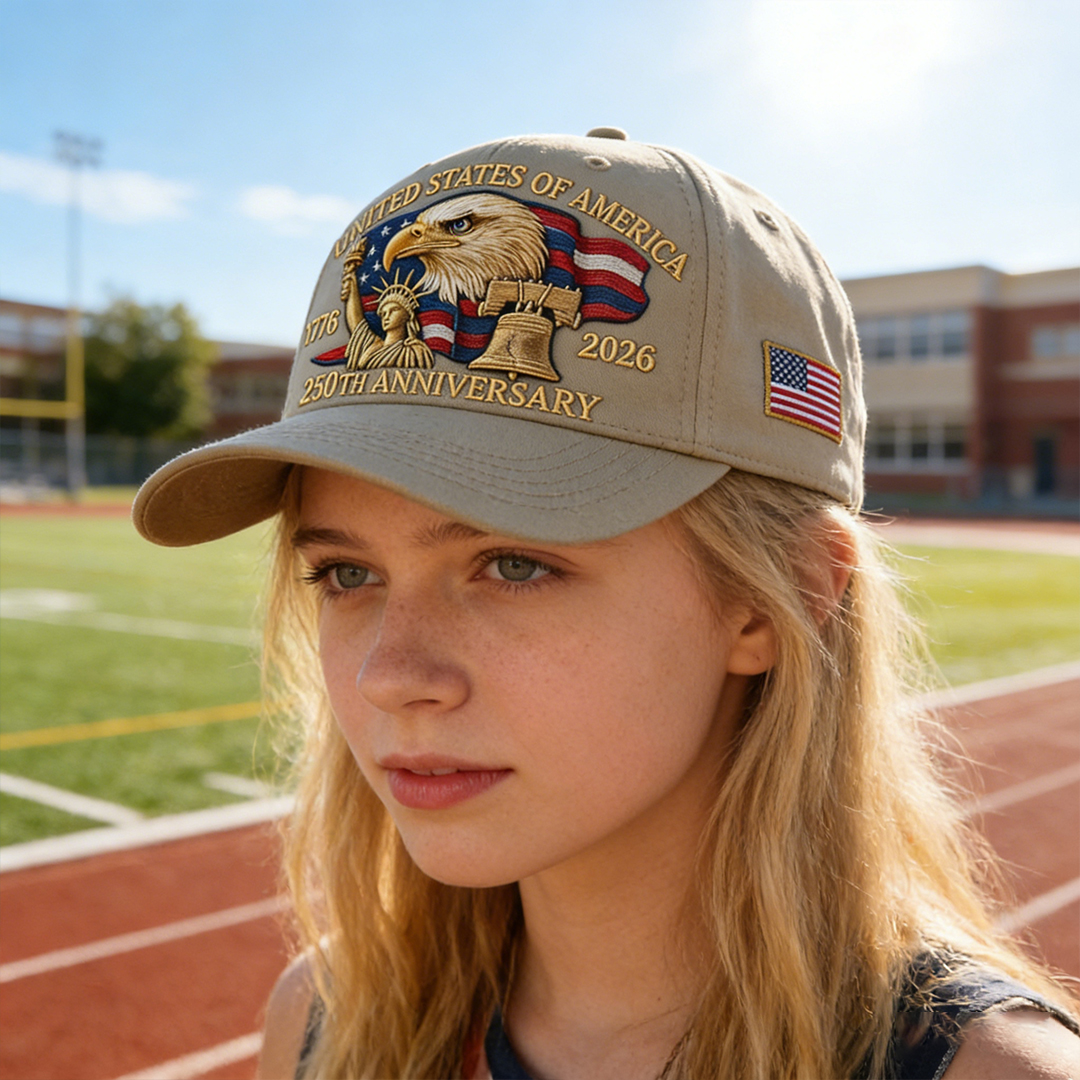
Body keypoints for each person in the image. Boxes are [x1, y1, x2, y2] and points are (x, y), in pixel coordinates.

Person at [133, 129, 1080, 1080]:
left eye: (511, 565)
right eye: (347, 574)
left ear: (777, 597)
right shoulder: (320, 1026)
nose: (388, 677)